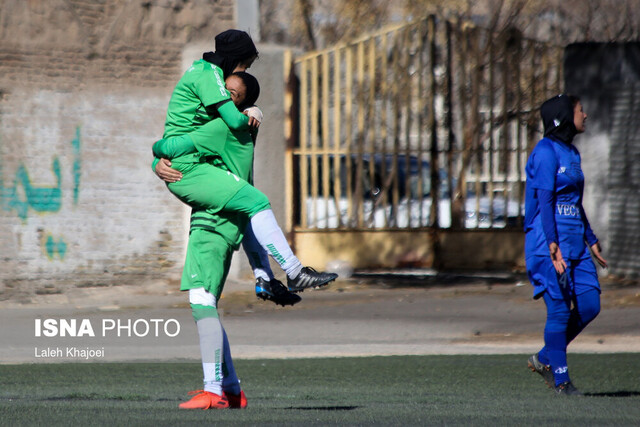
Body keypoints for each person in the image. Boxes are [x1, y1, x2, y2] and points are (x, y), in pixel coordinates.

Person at [154, 29, 338, 300]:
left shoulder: (214, 103)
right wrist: (157, 156)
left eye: (235, 96)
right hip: (198, 193)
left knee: (249, 208)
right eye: (243, 64)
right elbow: (174, 144)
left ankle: (266, 280)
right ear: (234, 58)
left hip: (207, 192)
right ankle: (292, 272)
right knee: (255, 204)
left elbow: (174, 142)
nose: (229, 91)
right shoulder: (211, 87)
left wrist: (158, 155)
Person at [524, 94, 608, 396]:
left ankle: (545, 358)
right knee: (559, 310)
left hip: (576, 243)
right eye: (579, 110)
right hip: (548, 244)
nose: (584, 115)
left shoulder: (572, 153)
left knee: (589, 304)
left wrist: (591, 238)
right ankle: (561, 381)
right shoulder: (545, 152)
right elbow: (545, 202)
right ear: (563, 117)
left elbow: (574, 202)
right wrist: (552, 245)